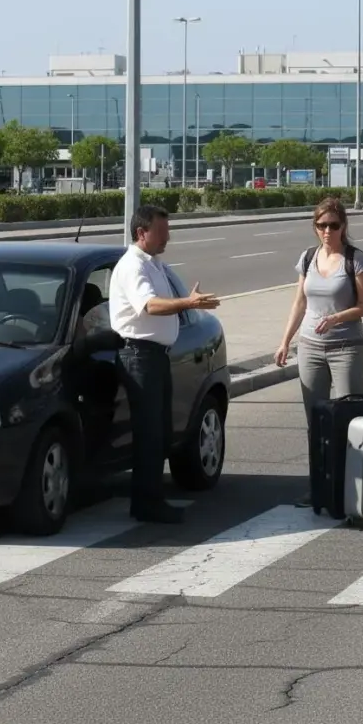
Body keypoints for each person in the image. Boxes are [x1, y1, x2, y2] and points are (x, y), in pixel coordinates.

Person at [109, 204, 221, 524]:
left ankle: (151, 498)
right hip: (138, 356)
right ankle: (146, 503)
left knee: (159, 432)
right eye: (161, 232)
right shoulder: (134, 266)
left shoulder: (153, 263)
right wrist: (189, 302)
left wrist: (188, 304)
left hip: (155, 356)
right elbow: (150, 306)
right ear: (142, 233)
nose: (167, 238)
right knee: (148, 433)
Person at [274, 197, 363, 508]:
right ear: (314, 227)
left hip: (346, 348)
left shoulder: (355, 259)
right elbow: (299, 303)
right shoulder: (307, 258)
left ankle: (349, 491)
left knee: (349, 420)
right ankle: (318, 487)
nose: (327, 231)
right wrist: (285, 341)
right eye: (321, 225)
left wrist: (337, 318)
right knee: (315, 422)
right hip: (311, 348)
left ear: (343, 226)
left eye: (333, 225)